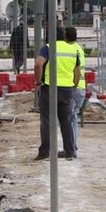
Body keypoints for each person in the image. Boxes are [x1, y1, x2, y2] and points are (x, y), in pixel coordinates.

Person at [33, 26, 81, 161]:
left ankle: (44, 152)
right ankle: (69, 152)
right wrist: (73, 87)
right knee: (66, 121)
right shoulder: (73, 50)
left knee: (46, 120)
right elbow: (77, 73)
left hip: (49, 88)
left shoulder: (48, 48)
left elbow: (38, 65)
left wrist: (38, 83)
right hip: (66, 89)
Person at [65, 27, 88, 153]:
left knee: (69, 118)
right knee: (73, 117)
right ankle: (73, 146)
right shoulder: (79, 48)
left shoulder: (69, 49)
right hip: (81, 88)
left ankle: (71, 148)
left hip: (73, 86)